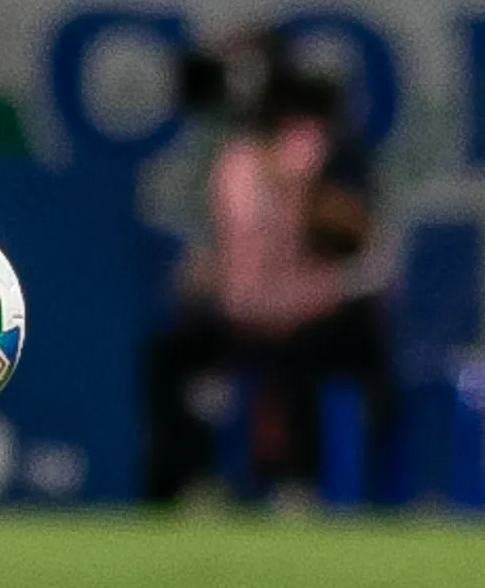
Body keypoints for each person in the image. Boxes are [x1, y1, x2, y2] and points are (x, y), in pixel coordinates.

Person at [143, 33, 388, 501]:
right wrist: (210, 267)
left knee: (301, 367)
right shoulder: (232, 154)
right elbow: (230, 235)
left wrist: (304, 194)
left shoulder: (328, 144)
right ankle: (188, 483)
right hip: (245, 312)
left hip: (319, 310)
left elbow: (359, 232)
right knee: (168, 353)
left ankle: (297, 485)